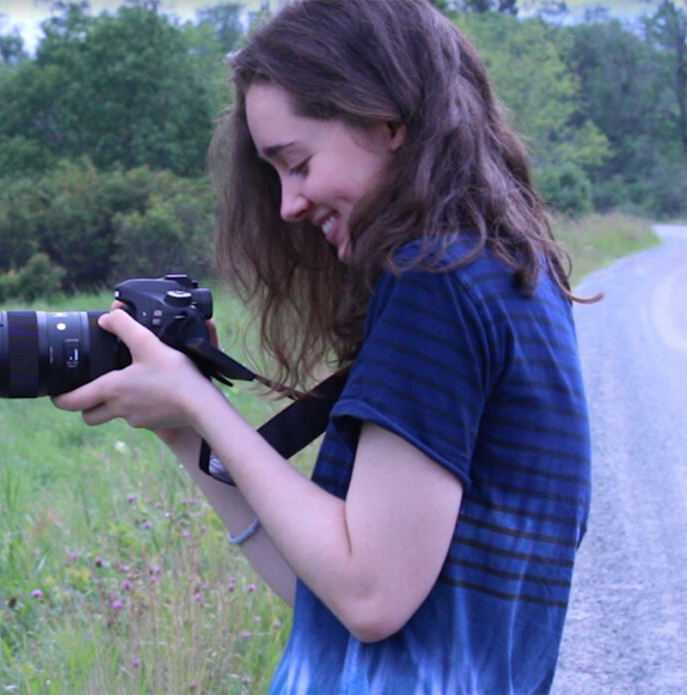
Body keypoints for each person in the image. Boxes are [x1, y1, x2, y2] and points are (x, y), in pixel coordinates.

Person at [51, 0, 593, 693]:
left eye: (297, 162)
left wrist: (201, 404)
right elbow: (334, 593)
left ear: (387, 121)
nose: (287, 205)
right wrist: (184, 430)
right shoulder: (507, 274)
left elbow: (371, 596)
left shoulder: (439, 281)